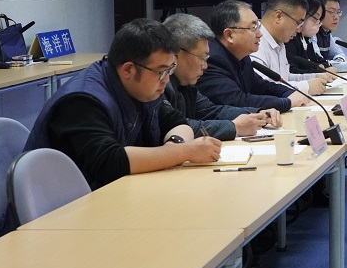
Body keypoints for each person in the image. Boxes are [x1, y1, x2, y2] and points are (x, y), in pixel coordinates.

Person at [24, 18, 222, 189]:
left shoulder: (142, 87)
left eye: (171, 70)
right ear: (128, 69)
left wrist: (175, 146)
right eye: (162, 72)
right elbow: (110, 161)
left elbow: (176, 122)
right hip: (66, 209)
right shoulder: (81, 101)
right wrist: (182, 152)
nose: (167, 79)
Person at [162, 13, 278, 141]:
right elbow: (178, 127)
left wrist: (257, 113)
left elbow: (211, 111)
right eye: (201, 58)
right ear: (176, 55)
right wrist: (234, 127)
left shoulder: (186, 84)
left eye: (206, 58)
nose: (205, 66)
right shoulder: (161, 86)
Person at [196, 0, 311, 111]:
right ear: (229, 35)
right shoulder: (212, 60)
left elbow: (261, 86)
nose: (260, 34)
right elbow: (237, 101)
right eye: (254, 28)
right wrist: (286, 102)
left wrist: (289, 93)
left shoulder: (242, 56)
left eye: (258, 27)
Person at [251, 0, 334, 95]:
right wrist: (306, 86)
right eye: (298, 22)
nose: (299, 29)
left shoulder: (279, 40)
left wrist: (314, 76)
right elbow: (264, 88)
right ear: (278, 16)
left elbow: (284, 78)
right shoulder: (255, 42)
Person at [287, 0, 329, 74]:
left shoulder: (306, 39)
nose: (317, 23)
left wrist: (325, 68)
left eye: (319, 20)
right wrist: (318, 73)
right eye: (315, 18)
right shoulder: (291, 38)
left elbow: (317, 60)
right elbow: (292, 70)